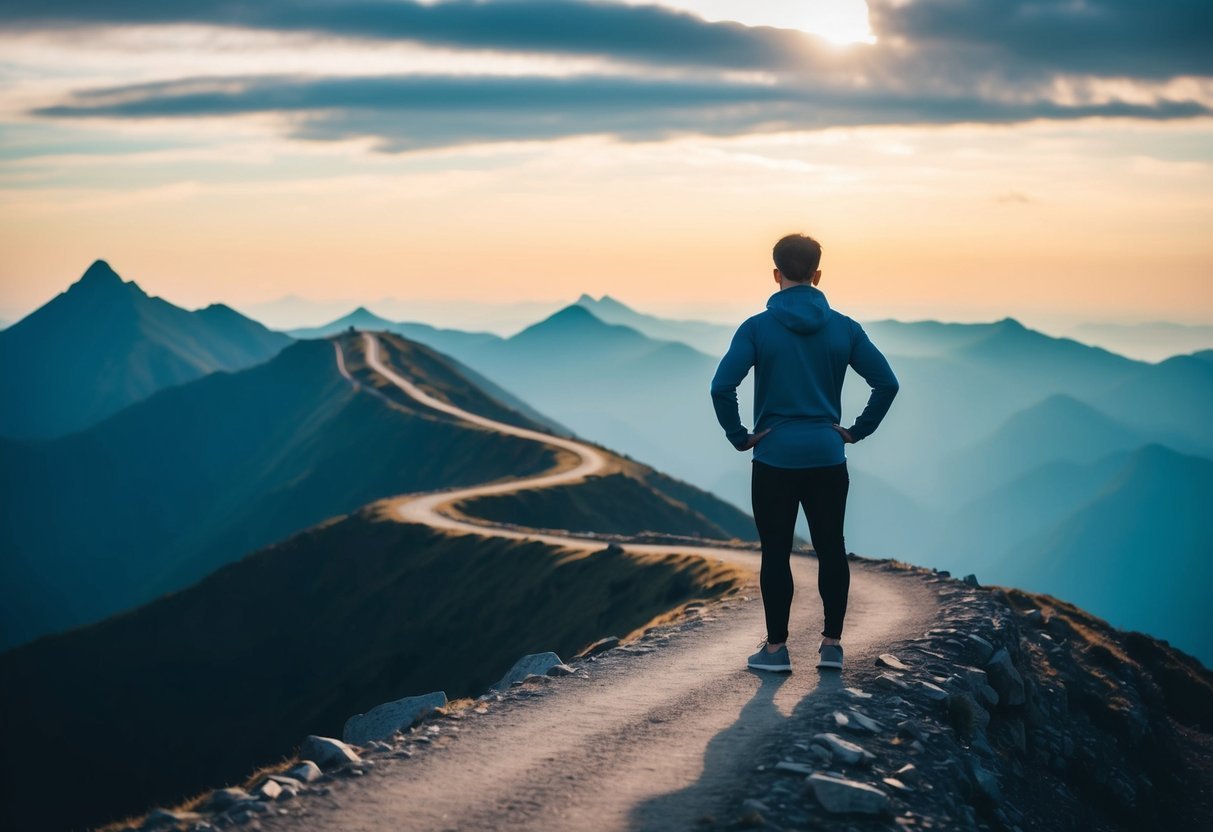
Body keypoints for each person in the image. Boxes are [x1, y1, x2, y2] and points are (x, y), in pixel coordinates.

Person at [710, 233, 899, 672]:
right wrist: (855, 432)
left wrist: (739, 435)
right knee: (832, 548)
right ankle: (831, 646)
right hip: (827, 456)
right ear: (817, 275)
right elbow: (886, 384)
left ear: (776, 274)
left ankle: (776, 651)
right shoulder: (845, 328)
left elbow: (722, 386)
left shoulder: (756, 328)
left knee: (775, 552)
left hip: (774, 456)